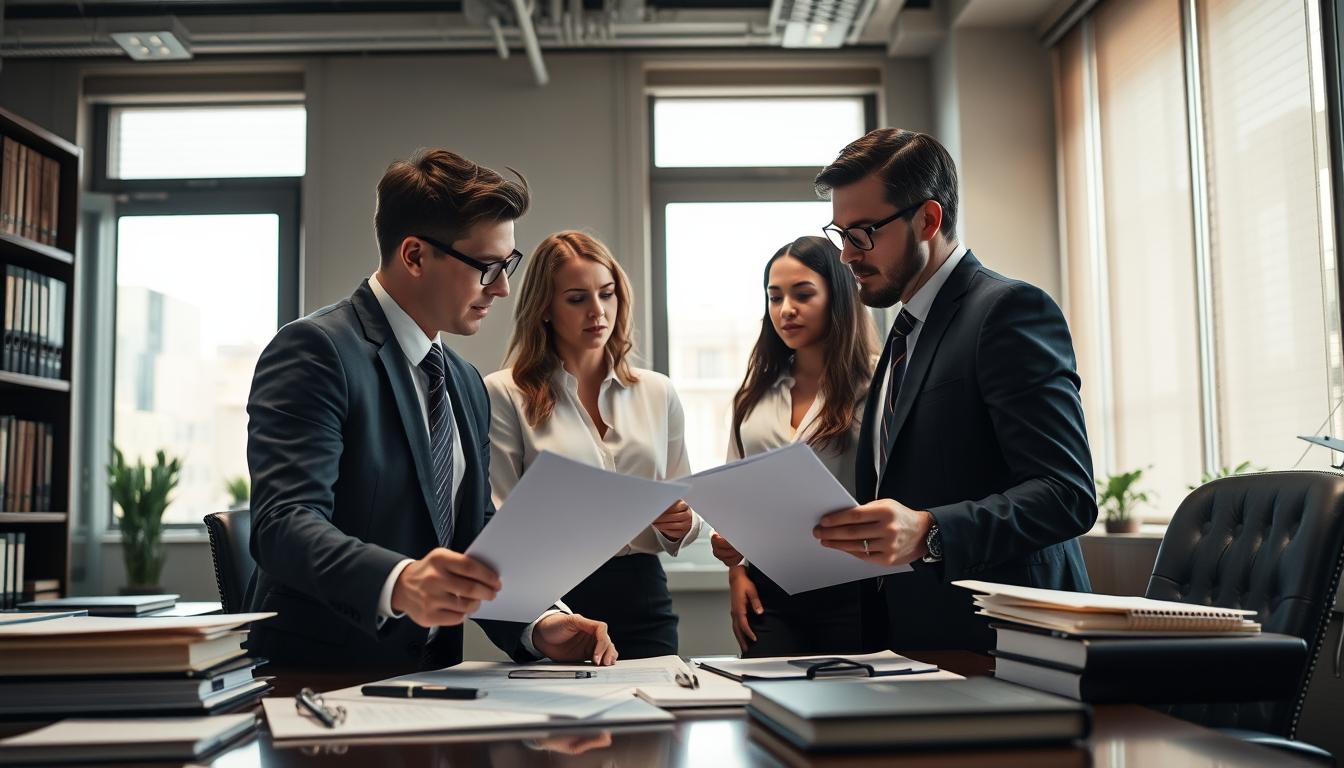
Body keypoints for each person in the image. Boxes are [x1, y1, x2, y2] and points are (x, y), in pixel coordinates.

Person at [244, 150, 616, 671]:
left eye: (508, 265)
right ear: (415, 256)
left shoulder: (463, 381)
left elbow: (475, 531)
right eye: (487, 267)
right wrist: (399, 582)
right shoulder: (314, 351)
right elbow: (283, 523)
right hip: (318, 682)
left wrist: (538, 621)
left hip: (432, 683)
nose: (503, 287)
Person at [810, 128, 1097, 652]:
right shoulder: (901, 333)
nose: (848, 255)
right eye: (841, 234)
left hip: (1007, 646)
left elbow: (1066, 494)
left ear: (929, 219)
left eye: (864, 233)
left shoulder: (1008, 312)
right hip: (913, 642)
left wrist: (930, 531)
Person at [485, 230, 704, 659]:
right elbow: (499, 519)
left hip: (644, 593)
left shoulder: (658, 392)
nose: (598, 311)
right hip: (553, 598)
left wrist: (682, 523)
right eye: (577, 298)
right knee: (561, 726)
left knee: (654, 723)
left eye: (607, 294)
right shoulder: (504, 393)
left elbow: (688, 504)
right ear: (544, 308)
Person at [707, 235, 877, 657]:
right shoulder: (754, 395)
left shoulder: (877, 384)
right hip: (769, 590)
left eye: (803, 295)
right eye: (775, 297)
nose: (786, 310)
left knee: (849, 711)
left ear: (837, 297)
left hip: (856, 588)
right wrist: (736, 570)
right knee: (767, 706)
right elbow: (736, 495)